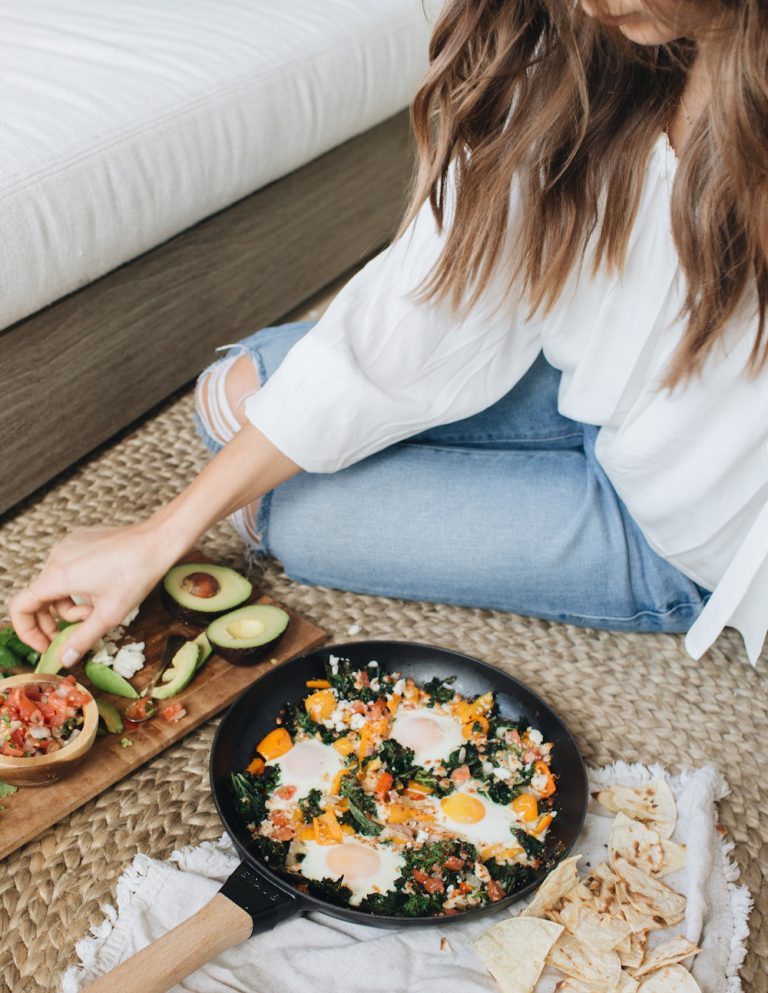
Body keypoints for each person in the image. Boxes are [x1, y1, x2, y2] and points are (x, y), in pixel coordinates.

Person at [10, 0, 768, 667]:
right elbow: (428, 300)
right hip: (598, 400)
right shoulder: (593, 45)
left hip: (686, 532)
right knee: (233, 389)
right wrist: (160, 532)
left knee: (289, 516)